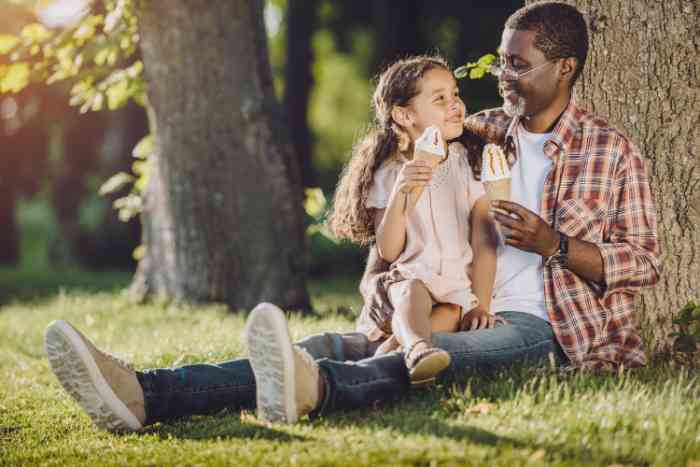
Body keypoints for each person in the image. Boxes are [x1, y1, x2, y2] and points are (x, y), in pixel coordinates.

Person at [44, 1, 660, 431]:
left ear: (566, 69)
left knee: (424, 356)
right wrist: (381, 286)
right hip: (441, 299)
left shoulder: (611, 154)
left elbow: (644, 264)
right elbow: (409, 196)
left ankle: (319, 389)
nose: (502, 78)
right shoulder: (473, 131)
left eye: (518, 66)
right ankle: (147, 392)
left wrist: (555, 243)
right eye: (501, 62)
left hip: (541, 325)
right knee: (326, 341)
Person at [325, 55, 502, 385]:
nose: (456, 104)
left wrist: (482, 305)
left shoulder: (468, 163)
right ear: (404, 115)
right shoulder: (389, 172)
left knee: (449, 314)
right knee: (412, 292)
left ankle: (378, 366)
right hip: (410, 280)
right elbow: (389, 250)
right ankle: (419, 349)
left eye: (455, 93)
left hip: (456, 290)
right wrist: (403, 192)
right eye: (440, 99)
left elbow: (485, 242)